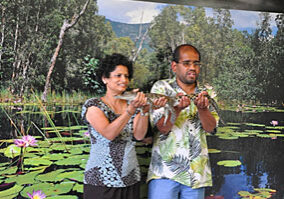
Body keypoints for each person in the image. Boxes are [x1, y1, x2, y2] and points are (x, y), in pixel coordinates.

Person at [81, 53, 165, 199]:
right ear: (104, 78)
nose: (123, 80)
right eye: (118, 75)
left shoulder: (133, 103)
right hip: (101, 181)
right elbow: (109, 134)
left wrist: (144, 111)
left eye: (126, 76)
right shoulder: (93, 105)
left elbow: (139, 135)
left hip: (130, 178)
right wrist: (130, 111)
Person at [147, 44, 219, 199]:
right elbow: (162, 129)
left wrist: (203, 109)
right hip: (164, 172)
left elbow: (211, 128)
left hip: (196, 174)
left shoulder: (207, 91)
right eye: (186, 63)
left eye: (196, 63)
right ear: (174, 66)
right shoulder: (161, 88)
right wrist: (176, 109)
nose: (192, 67)